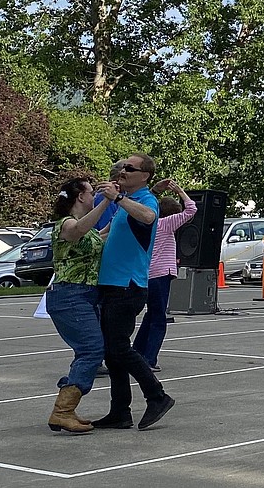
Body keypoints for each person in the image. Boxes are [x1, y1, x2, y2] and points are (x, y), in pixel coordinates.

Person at [94, 155, 174, 431]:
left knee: (118, 348)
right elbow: (102, 236)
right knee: (111, 351)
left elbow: (150, 216)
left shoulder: (143, 202)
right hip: (112, 284)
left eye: (130, 168)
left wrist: (117, 199)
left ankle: (157, 396)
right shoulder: (126, 203)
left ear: (145, 175)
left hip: (127, 285)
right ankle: (120, 411)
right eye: (122, 167)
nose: (122, 171)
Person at [46, 174, 113, 433]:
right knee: (92, 350)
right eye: (91, 192)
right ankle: (62, 411)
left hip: (84, 295)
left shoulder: (87, 227)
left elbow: (99, 236)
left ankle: (65, 410)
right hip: (68, 295)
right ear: (81, 197)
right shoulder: (65, 224)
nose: (94, 195)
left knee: (88, 351)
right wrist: (107, 203)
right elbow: (79, 231)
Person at [133, 180, 196, 372]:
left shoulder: (148, 224)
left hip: (147, 274)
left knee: (149, 316)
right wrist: (180, 191)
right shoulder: (165, 224)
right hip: (161, 274)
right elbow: (191, 210)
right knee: (159, 318)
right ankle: (149, 358)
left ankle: (136, 352)